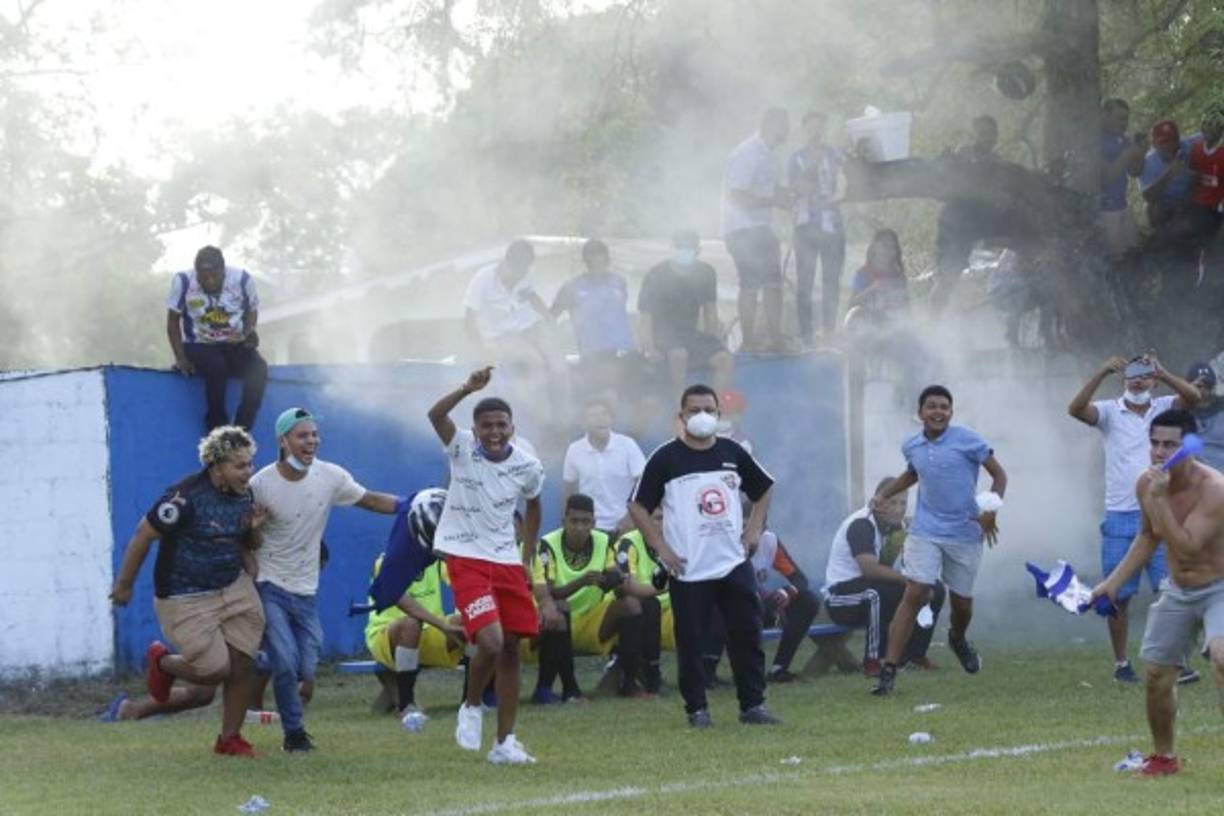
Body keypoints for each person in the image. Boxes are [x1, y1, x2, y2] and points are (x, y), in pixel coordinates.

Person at [247, 407, 404, 751]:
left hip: (306, 590)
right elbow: (244, 537)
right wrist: (252, 532)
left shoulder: (330, 476)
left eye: (315, 434)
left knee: (305, 667)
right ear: (283, 441)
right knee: (286, 664)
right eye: (303, 435)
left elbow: (370, 499)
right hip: (269, 584)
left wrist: (411, 506)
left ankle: (260, 659)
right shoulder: (259, 484)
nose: (312, 441)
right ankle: (294, 735)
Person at [628, 384, 780, 727]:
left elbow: (765, 487)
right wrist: (661, 548)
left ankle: (753, 705)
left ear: (718, 415)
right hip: (689, 568)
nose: (701, 416)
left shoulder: (733, 452)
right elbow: (637, 506)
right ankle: (697, 709)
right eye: (694, 410)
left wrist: (754, 529)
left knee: (747, 634)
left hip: (732, 561)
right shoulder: (665, 458)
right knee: (692, 642)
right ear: (680, 416)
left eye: (708, 410)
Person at [108, 426, 266, 757]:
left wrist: (251, 542)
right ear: (216, 465)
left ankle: (229, 739)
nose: (248, 472)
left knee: (243, 663)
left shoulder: (245, 494)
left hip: (233, 586)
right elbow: (142, 535)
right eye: (240, 466)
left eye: (250, 464)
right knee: (213, 671)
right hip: (185, 595)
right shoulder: (184, 498)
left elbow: (240, 538)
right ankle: (162, 662)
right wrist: (124, 585)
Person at [428, 366, 555, 764]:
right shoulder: (461, 446)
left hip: (506, 561)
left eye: (501, 425)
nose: (495, 432)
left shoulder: (527, 466)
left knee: (513, 648)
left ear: (512, 427)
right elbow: (435, 416)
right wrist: (467, 388)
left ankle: (505, 743)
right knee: (491, 640)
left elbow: (534, 504)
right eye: (487, 426)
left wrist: (527, 553)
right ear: (476, 428)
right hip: (465, 557)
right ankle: (470, 706)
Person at [1090, 408, 1224, 777]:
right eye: (1154, 443)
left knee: (1222, 658)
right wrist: (1112, 583)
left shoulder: (1214, 489)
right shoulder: (1146, 484)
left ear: (1189, 448)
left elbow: (1187, 545)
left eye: (1170, 445)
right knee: (1156, 674)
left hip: (1219, 588)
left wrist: (1161, 498)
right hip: (1178, 588)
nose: (1159, 452)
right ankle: (1163, 758)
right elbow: (1148, 537)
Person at [1068, 354, 1200, 681]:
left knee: (1170, 589)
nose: (1139, 381)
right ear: (1124, 379)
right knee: (1118, 595)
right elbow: (1075, 408)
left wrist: (1165, 371)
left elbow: (1194, 398)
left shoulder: (1165, 407)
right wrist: (1100, 370)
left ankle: (1177, 661)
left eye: (1144, 376)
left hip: (1161, 509)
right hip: (1120, 512)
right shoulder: (1111, 411)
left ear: (1152, 380)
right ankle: (1121, 664)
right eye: (1132, 376)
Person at [870, 385, 1008, 696]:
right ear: (920, 413)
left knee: (961, 603)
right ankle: (888, 671)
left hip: (965, 532)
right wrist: (884, 494)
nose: (938, 412)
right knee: (917, 591)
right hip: (925, 531)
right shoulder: (912, 446)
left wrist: (990, 511)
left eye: (944, 407)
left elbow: (1000, 476)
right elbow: (913, 474)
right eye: (931, 406)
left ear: (951, 413)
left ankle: (957, 638)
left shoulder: (968, 440)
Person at [532, 494, 648, 700]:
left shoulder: (604, 541)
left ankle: (628, 682)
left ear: (593, 523)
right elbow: (546, 592)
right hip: (554, 620)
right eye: (574, 521)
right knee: (560, 607)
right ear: (564, 521)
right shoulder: (547, 544)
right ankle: (571, 690)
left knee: (631, 605)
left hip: (591, 619)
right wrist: (582, 581)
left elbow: (614, 579)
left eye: (585, 522)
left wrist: (615, 579)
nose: (579, 527)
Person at [825, 478, 945, 675]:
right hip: (841, 596)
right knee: (876, 595)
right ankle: (874, 660)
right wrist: (908, 580)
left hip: (871, 586)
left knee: (934, 588)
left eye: (903, 503)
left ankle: (913, 656)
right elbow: (870, 570)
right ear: (878, 501)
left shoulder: (896, 528)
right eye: (893, 502)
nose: (899, 509)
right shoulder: (862, 523)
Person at [166, 245, 267, 433]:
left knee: (259, 368)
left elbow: (252, 311)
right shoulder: (183, 282)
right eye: (203, 278)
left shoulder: (242, 280)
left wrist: (248, 332)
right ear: (196, 273)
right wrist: (181, 359)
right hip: (199, 344)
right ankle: (217, 427)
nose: (209, 282)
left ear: (223, 270)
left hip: (233, 343)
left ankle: (241, 430)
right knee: (216, 367)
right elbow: (173, 322)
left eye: (214, 276)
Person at [722, 108, 794, 353]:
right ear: (770, 124)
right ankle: (749, 341)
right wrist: (774, 200)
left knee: (774, 283)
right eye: (784, 124)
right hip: (740, 228)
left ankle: (775, 338)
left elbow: (776, 190)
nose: (787, 130)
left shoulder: (773, 155)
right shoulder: (747, 153)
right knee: (750, 283)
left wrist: (795, 194)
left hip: (762, 228)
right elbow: (737, 197)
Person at [365, 557, 466, 719]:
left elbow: (464, 584)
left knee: (471, 619)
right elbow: (405, 604)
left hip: (430, 630)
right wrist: (443, 625)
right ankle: (406, 703)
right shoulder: (385, 562)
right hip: (386, 634)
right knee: (411, 624)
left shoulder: (437, 561)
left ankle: (473, 702)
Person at [463, 240, 565, 397]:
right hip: (501, 335)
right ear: (506, 263)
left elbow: (531, 295)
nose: (521, 276)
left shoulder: (526, 273)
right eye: (517, 271)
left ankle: (565, 407)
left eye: (524, 270)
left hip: (527, 326)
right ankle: (539, 409)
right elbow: (469, 318)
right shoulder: (483, 279)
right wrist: (481, 349)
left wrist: (549, 318)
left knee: (557, 361)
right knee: (534, 361)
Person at [639, 229, 734, 392]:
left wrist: (714, 341)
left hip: (691, 334)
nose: (684, 251)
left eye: (688, 248)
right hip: (663, 335)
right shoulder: (656, 274)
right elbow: (645, 314)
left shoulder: (706, 273)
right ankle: (680, 408)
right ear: (672, 248)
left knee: (725, 359)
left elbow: (710, 310)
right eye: (680, 247)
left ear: (697, 251)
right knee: (679, 354)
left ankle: (715, 409)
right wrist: (649, 348)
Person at [787, 111, 847, 344]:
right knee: (805, 283)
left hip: (832, 225)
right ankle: (806, 335)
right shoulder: (796, 158)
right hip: (805, 227)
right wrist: (811, 167)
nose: (816, 132)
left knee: (831, 281)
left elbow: (843, 185)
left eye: (820, 128)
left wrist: (837, 196)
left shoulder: (835, 155)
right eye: (811, 128)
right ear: (804, 130)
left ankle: (829, 332)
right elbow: (799, 188)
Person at [561, 398, 646, 536]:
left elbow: (644, 485)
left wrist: (630, 519)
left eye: (605, 414)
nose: (601, 419)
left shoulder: (627, 445)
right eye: (594, 416)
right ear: (583, 422)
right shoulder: (574, 450)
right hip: (589, 529)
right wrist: (568, 525)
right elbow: (568, 490)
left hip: (625, 527)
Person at [1099, 99, 1146, 259]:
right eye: (1120, 118)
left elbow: (1135, 172)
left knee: (1135, 252)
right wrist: (1127, 154)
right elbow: (1106, 177)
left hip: (1122, 205)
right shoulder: (1095, 140)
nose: (1124, 123)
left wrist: (1141, 154)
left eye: (1126, 118)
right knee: (1115, 260)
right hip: (1104, 211)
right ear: (1105, 115)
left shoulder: (1124, 140)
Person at [1139, 119, 1197, 241]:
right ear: (1154, 144)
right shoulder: (1148, 162)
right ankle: (1162, 237)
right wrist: (1169, 174)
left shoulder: (1189, 144)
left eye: (1174, 139)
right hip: (1165, 205)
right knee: (1152, 208)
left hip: (1190, 201)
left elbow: (1212, 133)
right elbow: (1147, 196)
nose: (1170, 145)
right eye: (1163, 141)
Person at [1185, 108, 1224, 246]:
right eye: (1205, 124)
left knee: (1211, 244)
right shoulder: (1195, 147)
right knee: (1195, 243)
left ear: (1220, 130)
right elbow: (1189, 173)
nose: (1207, 129)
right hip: (1196, 204)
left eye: (1213, 125)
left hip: (1216, 207)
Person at [1187, 361, 1224, 471]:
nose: (1202, 390)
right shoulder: (1178, 409)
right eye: (1198, 386)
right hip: (1193, 473)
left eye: (1208, 386)